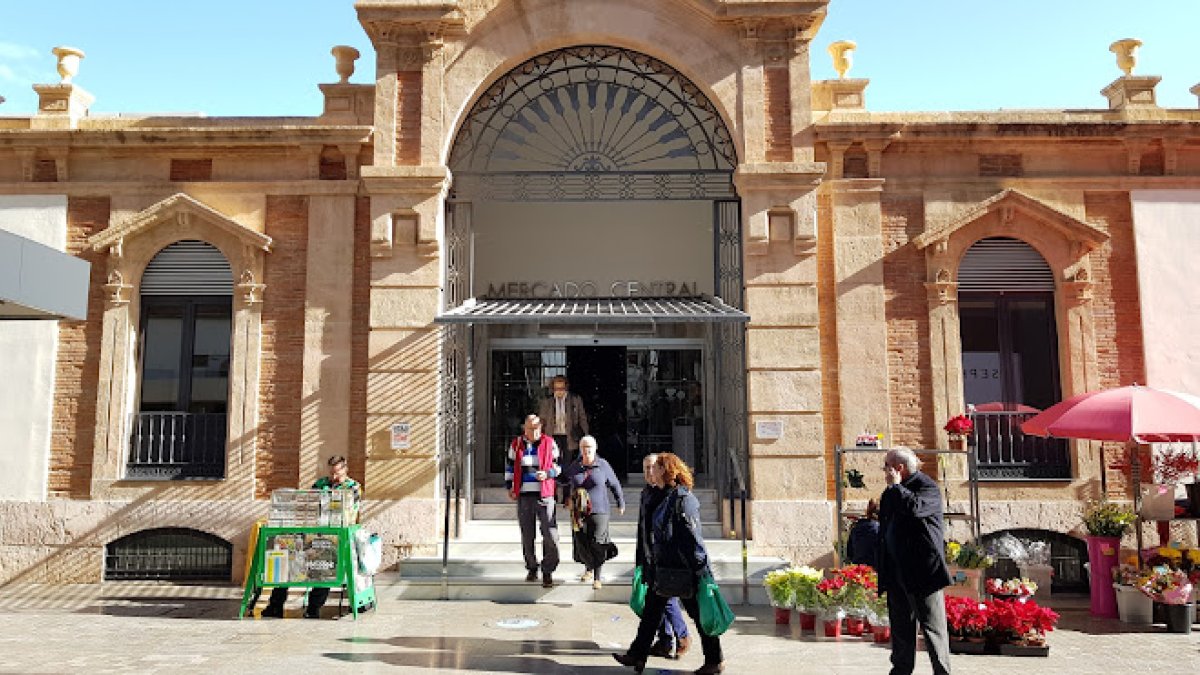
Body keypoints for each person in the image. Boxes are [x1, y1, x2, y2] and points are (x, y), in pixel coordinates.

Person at [615, 453, 722, 674]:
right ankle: (637, 655)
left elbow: (694, 537)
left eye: (656, 467)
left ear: (666, 470)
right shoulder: (661, 496)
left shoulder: (683, 499)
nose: (651, 471)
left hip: (684, 570)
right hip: (663, 568)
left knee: (699, 616)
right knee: (651, 614)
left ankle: (715, 660)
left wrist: (702, 569)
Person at [878, 447, 952, 675]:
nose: (884, 471)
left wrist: (896, 486)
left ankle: (942, 672)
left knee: (932, 628)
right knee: (901, 629)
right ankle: (900, 671)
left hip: (922, 572)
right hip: (896, 571)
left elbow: (914, 509)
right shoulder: (891, 492)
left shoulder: (927, 487)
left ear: (898, 468)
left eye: (887, 466)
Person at [261, 455, 360, 619]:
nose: (334, 477)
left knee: (325, 569)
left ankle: (314, 608)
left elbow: (350, 509)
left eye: (337, 473)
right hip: (313, 530)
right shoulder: (320, 484)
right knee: (289, 562)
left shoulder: (353, 487)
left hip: (335, 535)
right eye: (332, 473)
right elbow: (308, 502)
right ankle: (275, 605)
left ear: (345, 470)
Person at [636, 453, 691, 660]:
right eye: (645, 468)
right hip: (650, 553)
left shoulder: (670, 495)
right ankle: (665, 640)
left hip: (666, 557)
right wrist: (641, 556)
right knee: (659, 598)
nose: (649, 472)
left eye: (653, 467)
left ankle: (682, 635)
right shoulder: (647, 493)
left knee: (665, 598)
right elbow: (643, 527)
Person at [505, 413, 561, 588]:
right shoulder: (516, 444)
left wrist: (548, 473)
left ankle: (548, 570)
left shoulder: (550, 443)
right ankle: (532, 567)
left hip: (544, 495)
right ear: (525, 428)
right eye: (531, 427)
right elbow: (509, 466)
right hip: (524, 496)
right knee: (527, 534)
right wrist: (509, 487)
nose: (534, 431)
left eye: (537, 427)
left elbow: (558, 467)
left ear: (541, 427)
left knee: (550, 534)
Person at [563, 435, 624, 590]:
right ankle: (588, 569)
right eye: (583, 447)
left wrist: (620, 502)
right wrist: (566, 498)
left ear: (595, 449)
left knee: (597, 542)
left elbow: (615, 484)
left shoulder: (603, 465)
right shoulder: (575, 465)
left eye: (589, 447)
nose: (586, 450)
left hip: (600, 510)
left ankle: (597, 576)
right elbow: (566, 481)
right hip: (579, 510)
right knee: (582, 541)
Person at [538, 375, 589, 467]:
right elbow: (542, 419)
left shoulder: (575, 399)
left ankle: (566, 479)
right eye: (557, 388)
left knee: (568, 460)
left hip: (570, 435)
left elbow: (582, 418)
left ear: (566, 387)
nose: (559, 390)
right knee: (554, 458)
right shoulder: (547, 401)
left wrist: (585, 435)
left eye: (562, 388)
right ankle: (557, 478)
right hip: (552, 434)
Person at [845, 498, 880, 568]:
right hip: (875, 569)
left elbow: (849, 553)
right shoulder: (880, 529)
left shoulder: (855, 528)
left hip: (859, 569)